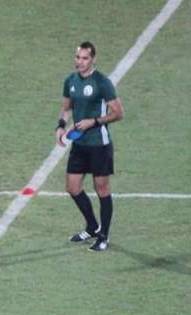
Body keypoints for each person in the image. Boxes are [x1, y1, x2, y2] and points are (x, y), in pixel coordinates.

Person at [55, 41, 124, 252]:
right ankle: (92, 226)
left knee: (101, 189)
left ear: (93, 59)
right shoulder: (71, 81)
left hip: (99, 144)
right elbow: (67, 107)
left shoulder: (102, 82)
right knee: (72, 187)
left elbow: (118, 113)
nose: (81, 62)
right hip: (80, 144)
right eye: (78, 57)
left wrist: (93, 122)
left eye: (85, 58)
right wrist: (61, 125)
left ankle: (104, 236)